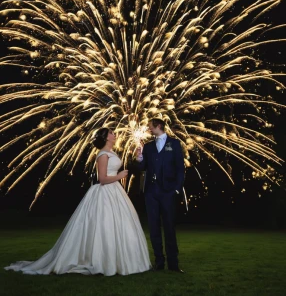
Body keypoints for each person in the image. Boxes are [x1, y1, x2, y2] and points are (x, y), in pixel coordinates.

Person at [5, 128, 151, 276]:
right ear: (106, 138)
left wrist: (137, 158)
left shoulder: (112, 153)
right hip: (105, 192)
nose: (115, 134)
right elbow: (102, 179)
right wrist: (119, 176)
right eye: (111, 133)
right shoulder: (102, 155)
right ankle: (101, 259)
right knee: (103, 224)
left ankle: (118, 259)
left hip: (115, 192)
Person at [136, 118, 185, 272]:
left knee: (169, 227)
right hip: (151, 192)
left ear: (158, 126)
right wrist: (139, 158)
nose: (149, 129)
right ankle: (159, 262)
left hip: (168, 192)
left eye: (150, 127)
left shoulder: (174, 143)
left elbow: (180, 168)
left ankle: (173, 263)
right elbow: (142, 167)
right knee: (154, 227)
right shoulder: (148, 147)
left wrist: (177, 189)